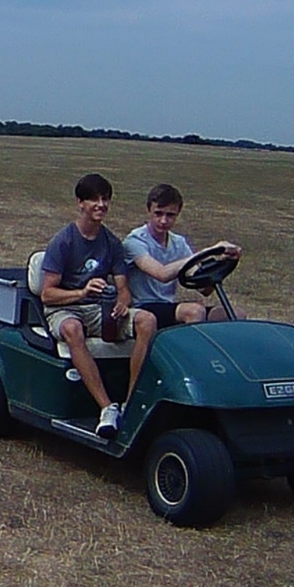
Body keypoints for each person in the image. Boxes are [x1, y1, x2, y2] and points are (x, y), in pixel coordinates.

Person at [38, 173, 155, 439]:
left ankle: (130, 402)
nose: (101, 205)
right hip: (65, 308)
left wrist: (122, 303)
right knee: (72, 330)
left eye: (105, 199)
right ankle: (106, 407)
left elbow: (124, 288)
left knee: (147, 321)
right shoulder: (64, 241)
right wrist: (82, 291)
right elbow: (47, 295)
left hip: (99, 309)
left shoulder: (112, 243)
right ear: (80, 203)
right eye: (94, 200)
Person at [124, 183, 240, 326]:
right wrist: (209, 251)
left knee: (234, 314)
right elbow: (162, 274)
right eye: (158, 213)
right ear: (149, 210)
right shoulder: (135, 241)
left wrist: (225, 263)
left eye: (170, 215)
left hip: (167, 306)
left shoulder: (178, 242)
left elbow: (204, 289)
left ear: (178, 213)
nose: (163, 221)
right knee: (194, 311)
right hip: (142, 308)